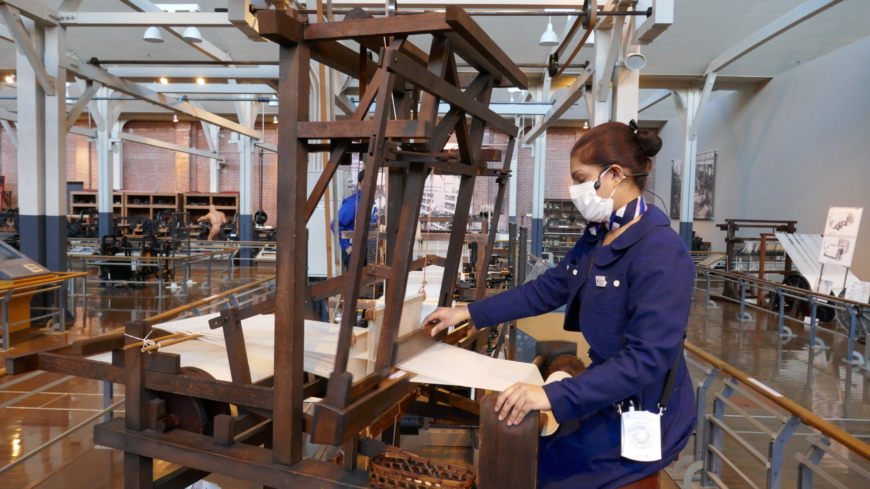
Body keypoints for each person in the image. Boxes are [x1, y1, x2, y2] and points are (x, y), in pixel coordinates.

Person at [423, 121, 696, 489]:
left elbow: (647, 360)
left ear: (614, 174)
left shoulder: (661, 251)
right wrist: (468, 312)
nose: (573, 190)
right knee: (539, 459)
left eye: (580, 178)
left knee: (549, 474)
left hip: (641, 407)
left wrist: (549, 394)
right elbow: (547, 289)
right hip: (609, 390)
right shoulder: (600, 235)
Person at [333, 169, 379, 272]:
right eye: (366, 181)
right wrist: (346, 247)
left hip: (369, 249)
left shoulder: (371, 202)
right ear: (360, 184)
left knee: (369, 283)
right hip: (355, 249)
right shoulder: (351, 203)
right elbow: (335, 224)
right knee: (355, 284)